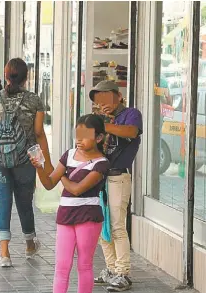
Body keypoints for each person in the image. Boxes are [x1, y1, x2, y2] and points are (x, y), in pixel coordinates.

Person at [0, 58, 52, 267]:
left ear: (5, 76)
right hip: (25, 158)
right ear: (26, 77)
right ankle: (30, 244)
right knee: (24, 200)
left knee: (2, 200)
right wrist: (45, 162)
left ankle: (5, 254)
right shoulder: (34, 100)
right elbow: (39, 132)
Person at [31, 114, 110, 293]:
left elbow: (77, 189)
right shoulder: (69, 154)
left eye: (85, 135)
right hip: (65, 215)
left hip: (88, 216)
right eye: (78, 134)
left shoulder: (102, 163)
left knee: (84, 265)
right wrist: (39, 168)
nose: (79, 140)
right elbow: (49, 183)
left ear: (98, 138)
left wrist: (63, 175)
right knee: (62, 266)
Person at [90, 81, 142, 292]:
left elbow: (131, 132)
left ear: (118, 96)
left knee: (118, 226)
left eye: (106, 98)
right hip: (100, 177)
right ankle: (111, 269)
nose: (103, 103)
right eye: (98, 100)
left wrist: (104, 125)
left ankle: (123, 273)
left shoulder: (131, 114)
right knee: (104, 226)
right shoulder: (100, 119)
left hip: (118, 178)